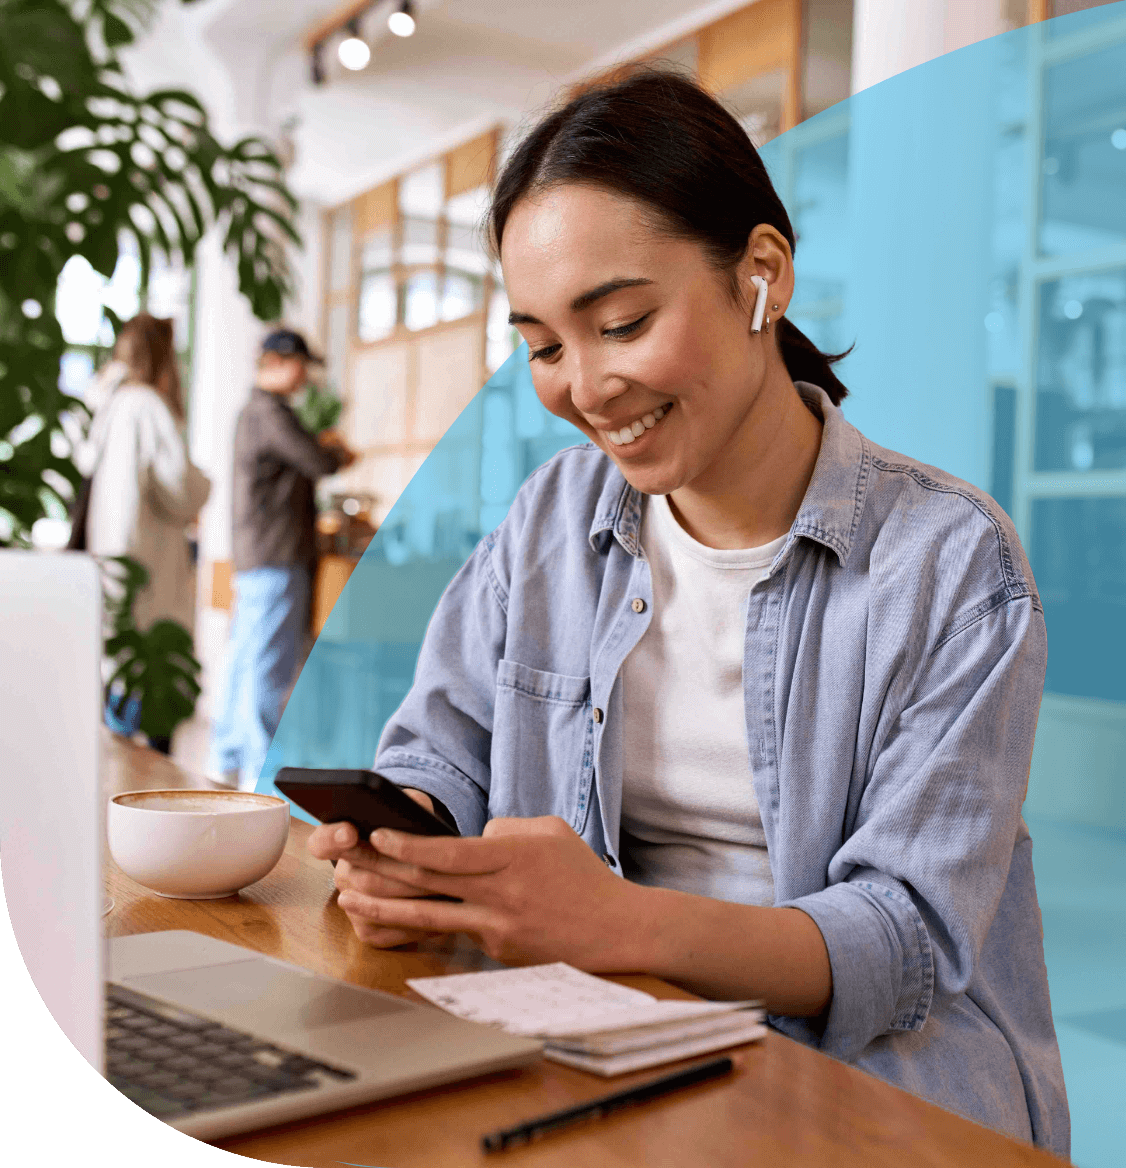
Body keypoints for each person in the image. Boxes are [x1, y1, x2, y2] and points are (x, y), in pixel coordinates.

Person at [306, 69, 1069, 1157]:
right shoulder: (549, 520)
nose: (584, 384)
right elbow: (443, 748)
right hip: (597, 1043)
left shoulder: (949, 563)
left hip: (872, 1085)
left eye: (620, 321)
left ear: (761, 276)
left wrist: (610, 923)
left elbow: (905, 939)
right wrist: (412, 842)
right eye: (542, 345)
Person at [210, 328, 355, 792]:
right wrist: (336, 449)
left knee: (246, 658)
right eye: (300, 365)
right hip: (276, 556)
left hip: (258, 555)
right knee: (267, 665)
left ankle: (229, 757)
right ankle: (263, 773)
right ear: (276, 361)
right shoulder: (271, 414)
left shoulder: (251, 413)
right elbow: (318, 461)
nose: (304, 375)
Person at [76, 312, 212, 754]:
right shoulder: (148, 406)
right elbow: (180, 492)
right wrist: (205, 482)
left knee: (114, 688)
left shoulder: (107, 405)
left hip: (110, 565)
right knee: (149, 700)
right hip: (148, 571)